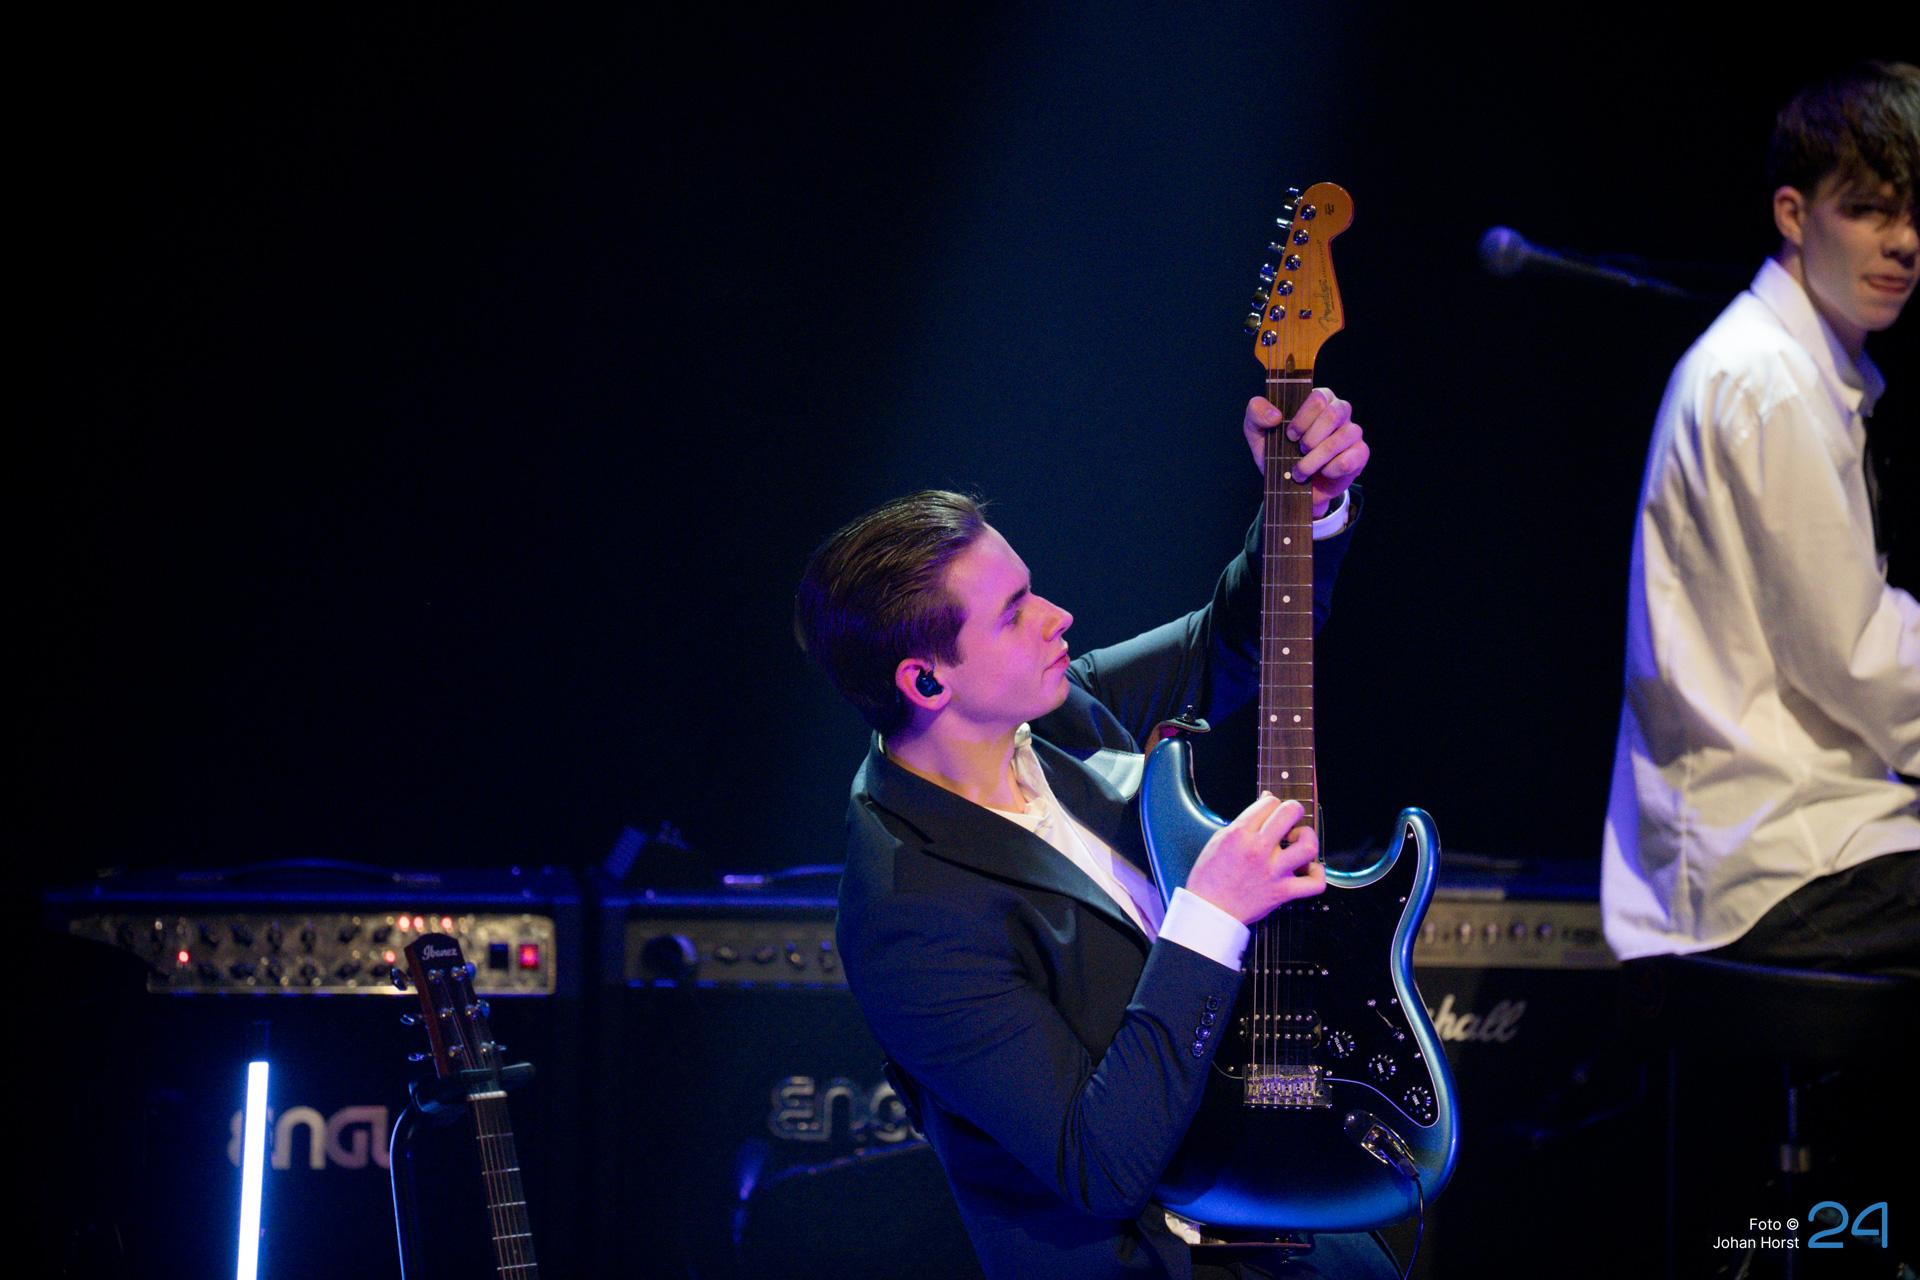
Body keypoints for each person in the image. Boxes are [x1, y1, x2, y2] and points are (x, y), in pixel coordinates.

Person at [795, 391, 1397, 1280]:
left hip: (1276, 1204)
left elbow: (1229, 644)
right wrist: (1211, 916)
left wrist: (1303, 509)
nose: (1058, 618)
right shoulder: (906, 911)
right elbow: (1098, 1165)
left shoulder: (1059, 716)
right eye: (1014, 612)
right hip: (1151, 1257)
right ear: (925, 683)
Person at [1602, 61, 1920, 974]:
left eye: (1915, 214)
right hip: (1775, 864)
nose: (1904, 243)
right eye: (1868, 210)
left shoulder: (1792, 371)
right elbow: (1857, 656)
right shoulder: (1766, 381)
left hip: (1811, 839)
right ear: (1792, 213)